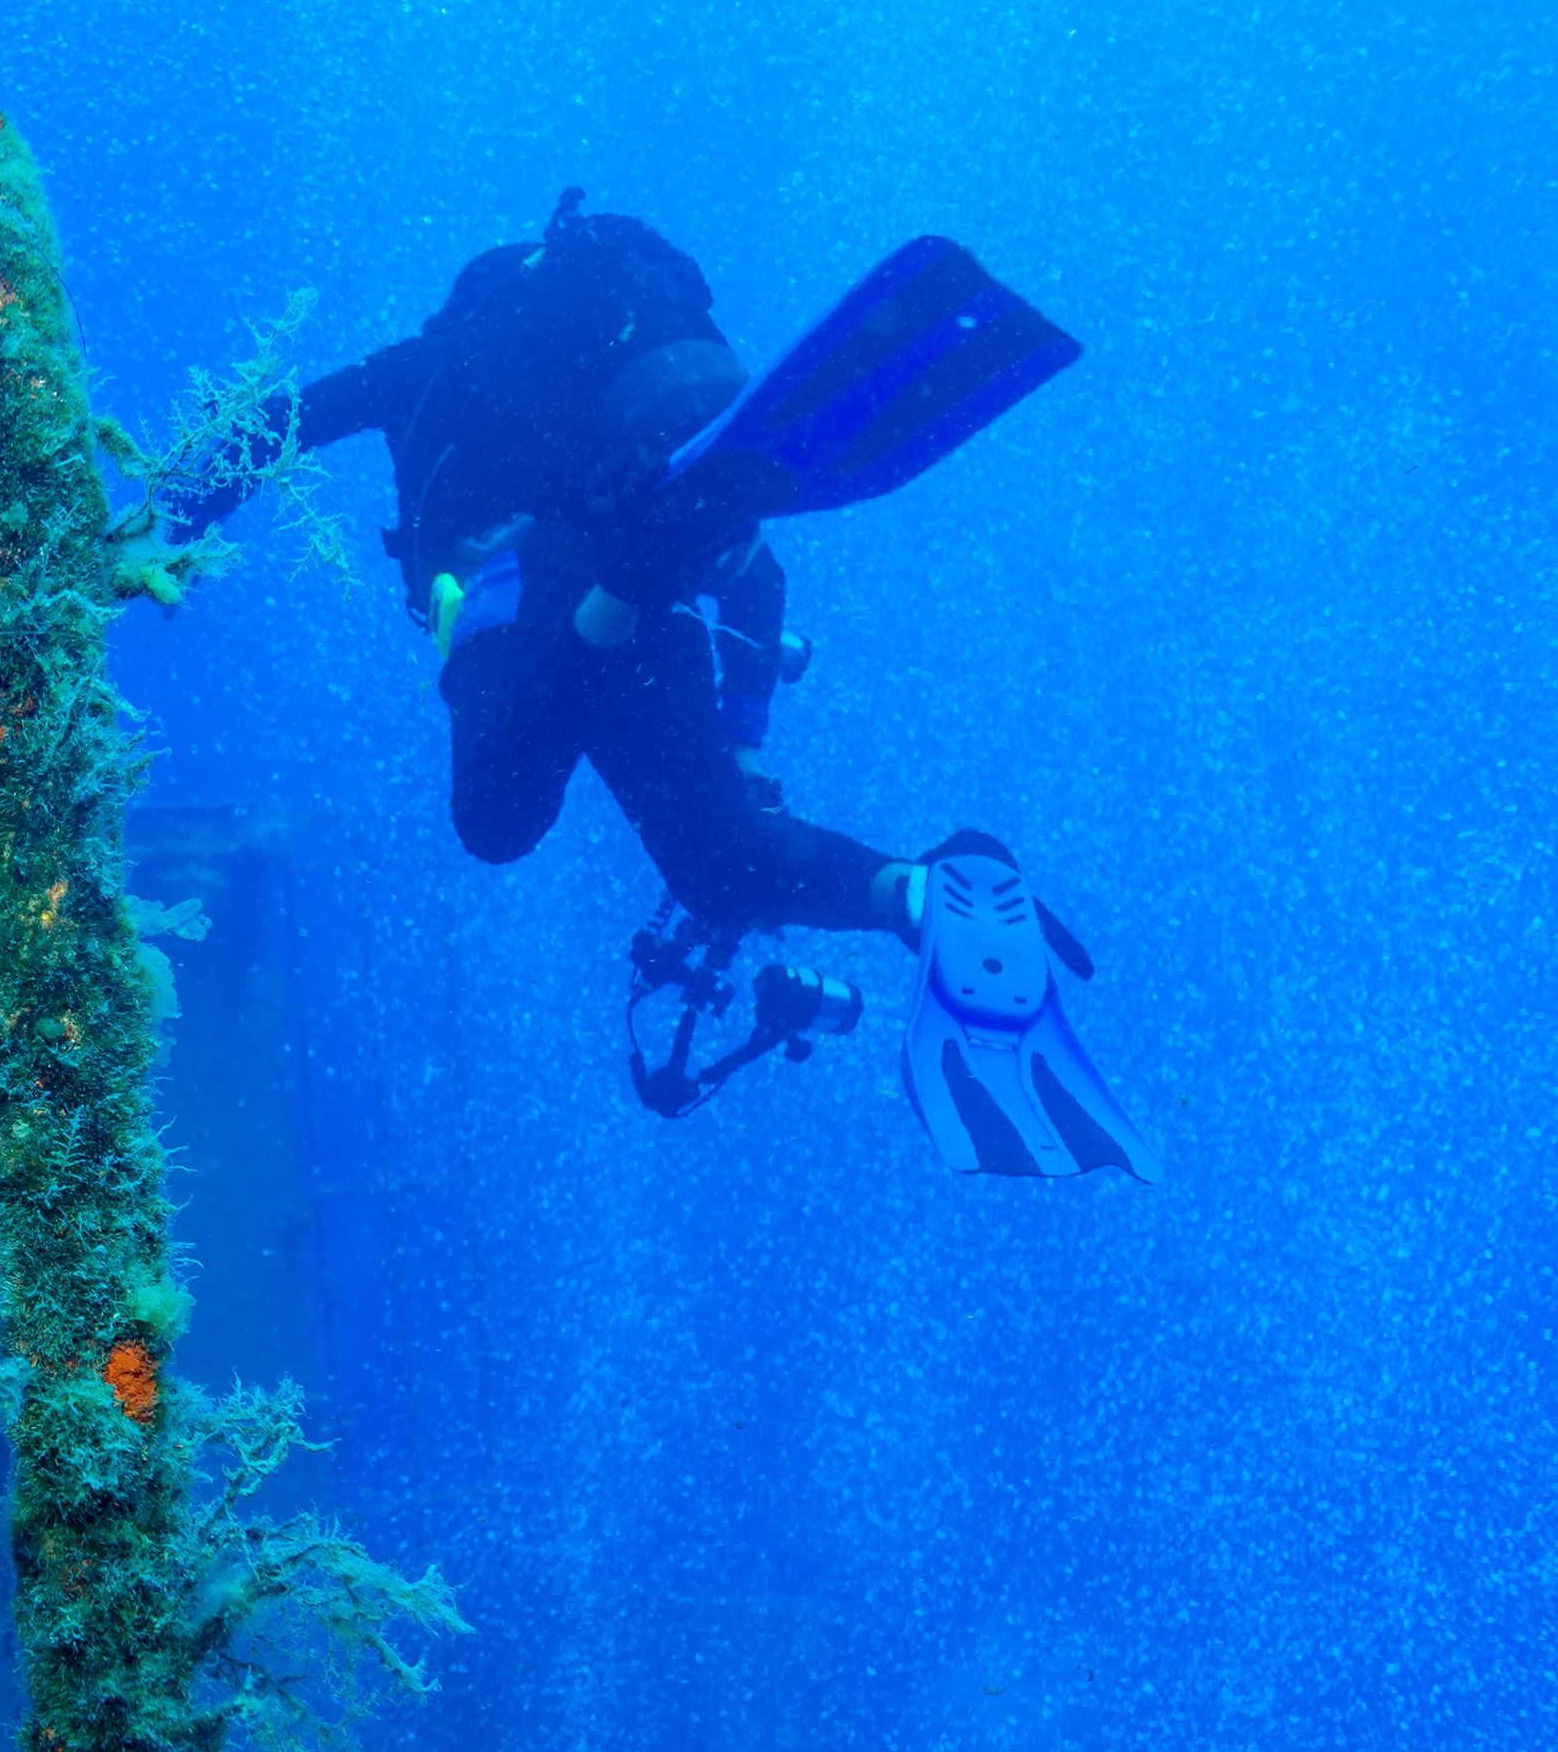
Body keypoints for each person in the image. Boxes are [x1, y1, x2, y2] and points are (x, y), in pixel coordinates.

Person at [183, 191, 1159, 1179]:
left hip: (543, 595)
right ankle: (918, 893)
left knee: (496, 819)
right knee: (720, 866)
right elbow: (756, 573)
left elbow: (280, 423)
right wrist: (743, 752)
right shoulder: (612, 439)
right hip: (659, 599)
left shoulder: (430, 363)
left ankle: (626, 591)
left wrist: (155, 518)